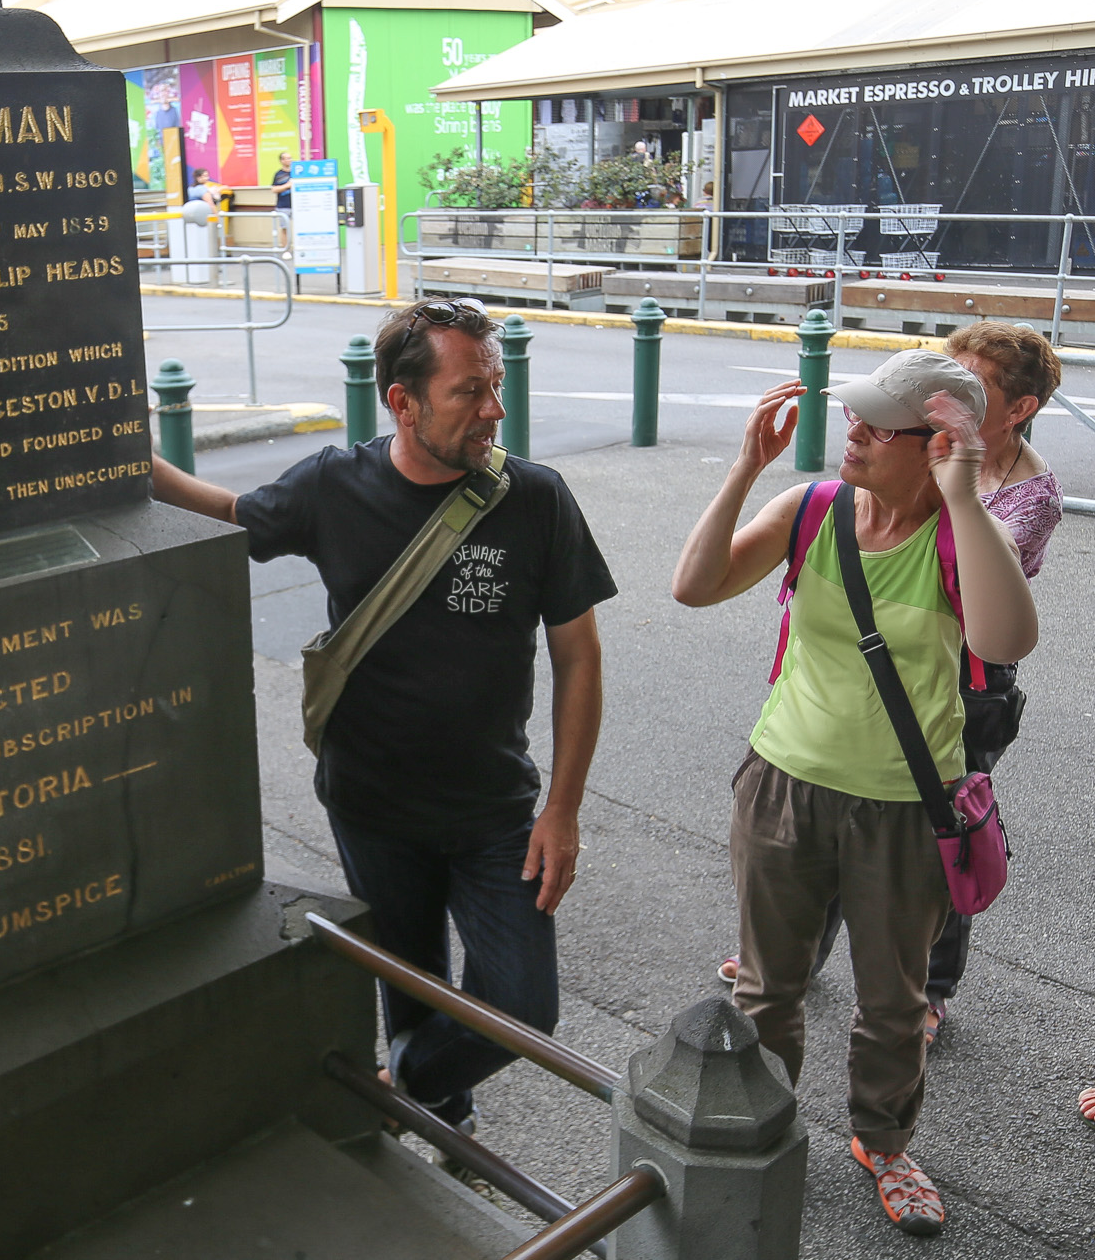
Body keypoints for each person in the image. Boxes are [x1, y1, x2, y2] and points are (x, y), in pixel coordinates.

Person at [149, 297, 616, 1134]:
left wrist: (565, 808)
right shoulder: (333, 485)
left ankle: (405, 1080)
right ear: (403, 403)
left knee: (521, 1005)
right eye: (469, 391)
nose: (494, 410)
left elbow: (578, 655)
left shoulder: (536, 498)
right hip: (372, 807)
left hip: (497, 814)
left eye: (496, 385)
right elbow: (229, 517)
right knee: (409, 985)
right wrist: (131, 458)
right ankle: (444, 1117)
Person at [672, 351, 1037, 1236]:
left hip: (907, 807)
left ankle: (884, 1141)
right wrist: (746, 467)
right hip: (782, 786)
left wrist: (958, 496)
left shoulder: (960, 533)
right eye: (857, 418)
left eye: (881, 427)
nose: (857, 435)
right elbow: (694, 586)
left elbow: (1007, 636)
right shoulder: (812, 511)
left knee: (893, 999)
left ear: (938, 446)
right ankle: (768, 1122)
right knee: (769, 988)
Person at [714, 325, 1064, 1049]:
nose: (942, 394)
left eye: (968, 387)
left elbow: (988, 624)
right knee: (827, 840)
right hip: (838, 709)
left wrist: (954, 499)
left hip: (963, 683)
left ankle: (930, 987)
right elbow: (701, 583)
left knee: (939, 838)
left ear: (1013, 409)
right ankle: (794, 954)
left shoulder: (1023, 497)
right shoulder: (830, 500)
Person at [270, 151, 294, 251]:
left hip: (297, 204)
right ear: (282, 161)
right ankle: (286, 249)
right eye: (286, 158)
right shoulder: (278, 175)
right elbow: (274, 189)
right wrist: (287, 186)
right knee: (285, 228)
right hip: (283, 205)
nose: (289, 160)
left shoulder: (296, 173)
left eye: (290, 158)